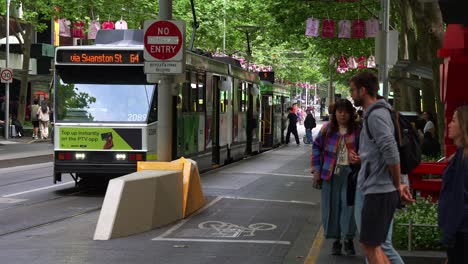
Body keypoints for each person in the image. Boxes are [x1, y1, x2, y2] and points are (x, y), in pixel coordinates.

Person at [348, 71, 414, 264]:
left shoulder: (376, 115)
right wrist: (364, 160)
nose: (351, 95)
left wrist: (397, 183)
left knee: (373, 245)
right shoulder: (377, 114)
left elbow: (391, 151)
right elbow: (381, 152)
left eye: (353, 90)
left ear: (363, 90)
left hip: (379, 189)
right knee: (372, 245)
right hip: (378, 188)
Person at [311, 99, 360, 256]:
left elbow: (367, 150)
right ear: (334, 113)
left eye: (346, 111)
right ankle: (336, 240)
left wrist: (360, 158)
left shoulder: (358, 130)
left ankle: (348, 239)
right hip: (329, 174)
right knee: (331, 207)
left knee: (349, 208)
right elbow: (316, 148)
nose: (342, 114)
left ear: (351, 113)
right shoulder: (327, 129)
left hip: (351, 175)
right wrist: (316, 170)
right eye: (339, 111)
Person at [438, 105, 468, 264]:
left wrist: (449, 234)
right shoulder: (459, 155)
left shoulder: (462, 159)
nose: (449, 124)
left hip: (460, 231)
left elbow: (458, 199)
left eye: (454, 120)